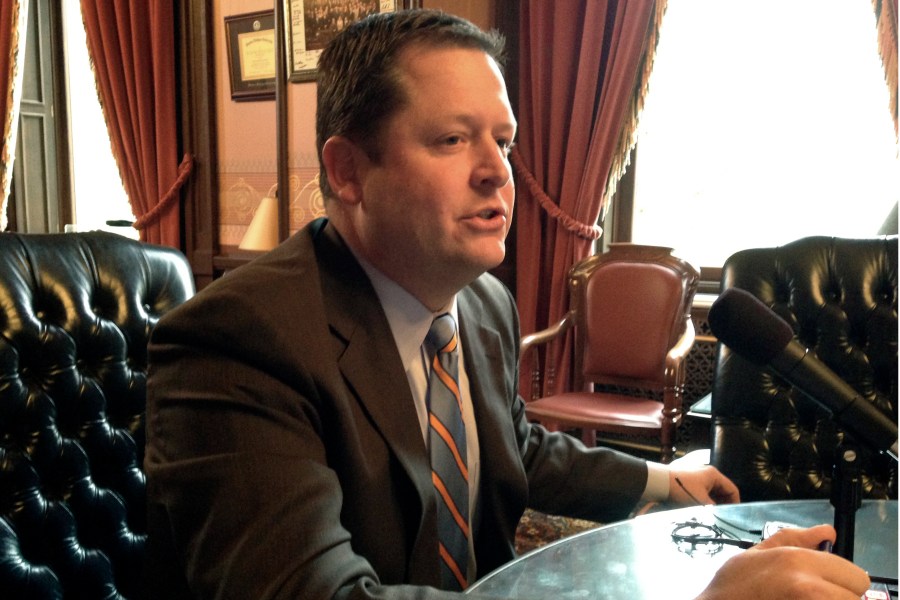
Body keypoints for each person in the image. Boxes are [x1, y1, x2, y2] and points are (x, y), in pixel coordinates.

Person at [144, 9, 871, 599]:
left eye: (505, 140)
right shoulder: (239, 341)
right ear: (348, 171)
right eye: (454, 140)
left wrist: (661, 480)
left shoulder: (482, 303)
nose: (498, 173)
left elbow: (509, 445)